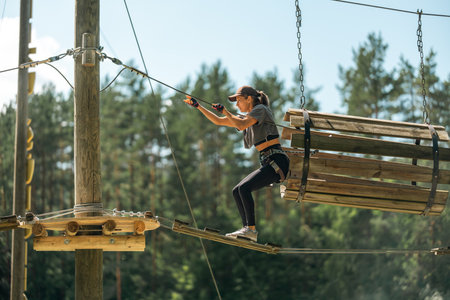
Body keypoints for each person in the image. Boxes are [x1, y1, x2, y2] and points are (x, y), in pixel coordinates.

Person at [184, 85, 290, 242]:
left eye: (238, 100)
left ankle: (251, 230)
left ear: (249, 99)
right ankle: (246, 229)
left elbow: (240, 125)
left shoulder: (260, 110)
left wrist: (226, 111)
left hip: (277, 162)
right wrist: (198, 106)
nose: (236, 105)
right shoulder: (247, 117)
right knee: (237, 191)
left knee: (244, 188)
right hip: (269, 162)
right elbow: (218, 121)